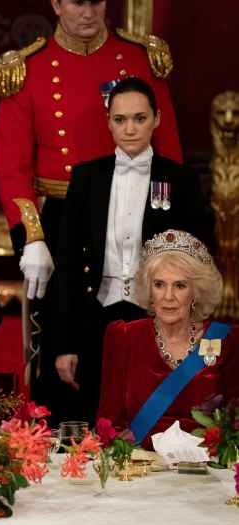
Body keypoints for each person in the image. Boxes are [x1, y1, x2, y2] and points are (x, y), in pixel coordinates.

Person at [0, 0, 182, 416]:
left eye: (96, 1)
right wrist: (32, 238)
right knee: (62, 345)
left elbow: (169, 159)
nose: (88, 12)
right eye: (76, 1)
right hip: (61, 218)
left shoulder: (138, 57)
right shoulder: (29, 67)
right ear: (57, 4)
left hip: (137, 215)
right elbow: (12, 166)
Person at [53, 77, 215, 424]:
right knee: (97, 418)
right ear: (108, 121)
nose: (129, 129)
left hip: (158, 317)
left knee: (152, 419)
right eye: (120, 119)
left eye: (139, 118)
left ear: (157, 119)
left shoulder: (182, 180)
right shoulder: (86, 177)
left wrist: (191, 325)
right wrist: (63, 344)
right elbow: (66, 265)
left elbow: (199, 260)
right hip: (94, 314)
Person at [99, 230, 236, 446]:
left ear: (196, 292)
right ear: (149, 290)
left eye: (180, 285)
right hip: (141, 468)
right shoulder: (125, 337)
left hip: (205, 471)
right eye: (159, 284)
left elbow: (234, 424)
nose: (168, 296)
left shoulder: (224, 340)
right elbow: (108, 424)